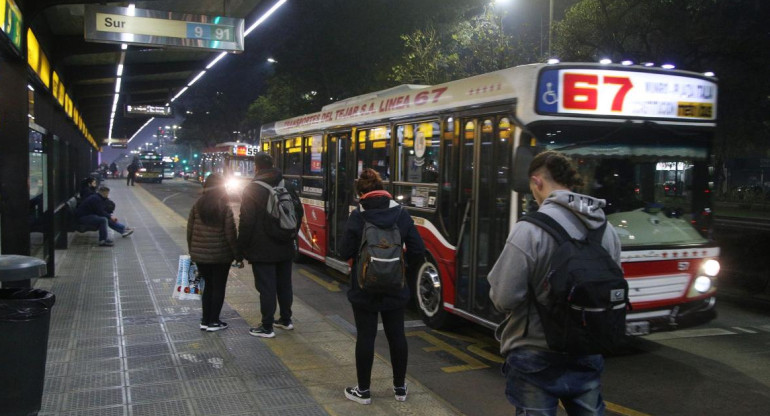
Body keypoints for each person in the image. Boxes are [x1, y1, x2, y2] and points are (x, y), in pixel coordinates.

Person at [488, 150, 622, 416]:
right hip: (588, 348)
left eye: (532, 189)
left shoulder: (529, 230)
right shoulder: (606, 230)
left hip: (535, 353)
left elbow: (505, 297)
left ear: (537, 182)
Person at [339, 168, 425, 405]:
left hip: (364, 286)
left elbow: (344, 251)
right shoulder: (401, 214)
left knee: (365, 336)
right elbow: (418, 249)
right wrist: (400, 265)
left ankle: (364, 391)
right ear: (382, 188)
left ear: (361, 192)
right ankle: (399, 389)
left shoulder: (358, 215)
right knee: (396, 335)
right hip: (395, 287)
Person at [238, 152, 302, 338]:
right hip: (285, 246)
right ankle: (286, 319)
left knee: (266, 287)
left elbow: (246, 221)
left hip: (261, 248)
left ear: (256, 167)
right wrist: (290, 233)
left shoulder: (252, 189)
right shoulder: (287, 185)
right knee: (284, 284)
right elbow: (299, 212)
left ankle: (267, 326)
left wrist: (241, 248)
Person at [187, 173, 243, 332]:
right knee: (218, 287)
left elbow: (189, 231)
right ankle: (214, 321)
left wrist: (193, 251)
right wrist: (237, 255)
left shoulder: (197, 205)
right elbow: (230, 234)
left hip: (200, 257)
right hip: (221, 256)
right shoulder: (224, 207)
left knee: (207, 287)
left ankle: (205, 320)